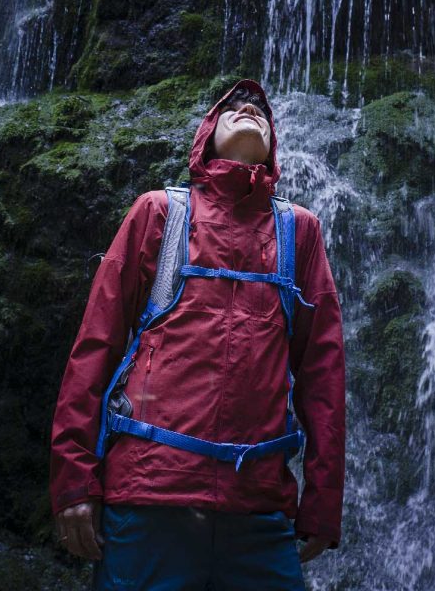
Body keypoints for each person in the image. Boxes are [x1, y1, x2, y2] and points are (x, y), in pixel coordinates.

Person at [50, 78, 345, 590]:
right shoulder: (158, 213)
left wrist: (322, 501)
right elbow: (95, 350)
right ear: (206, 133)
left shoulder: (300, 233)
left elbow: (323, 376)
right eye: (232, 106)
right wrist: (74, 480)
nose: (249, 108)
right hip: (149, 500)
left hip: (257, 514)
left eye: (259, 109)